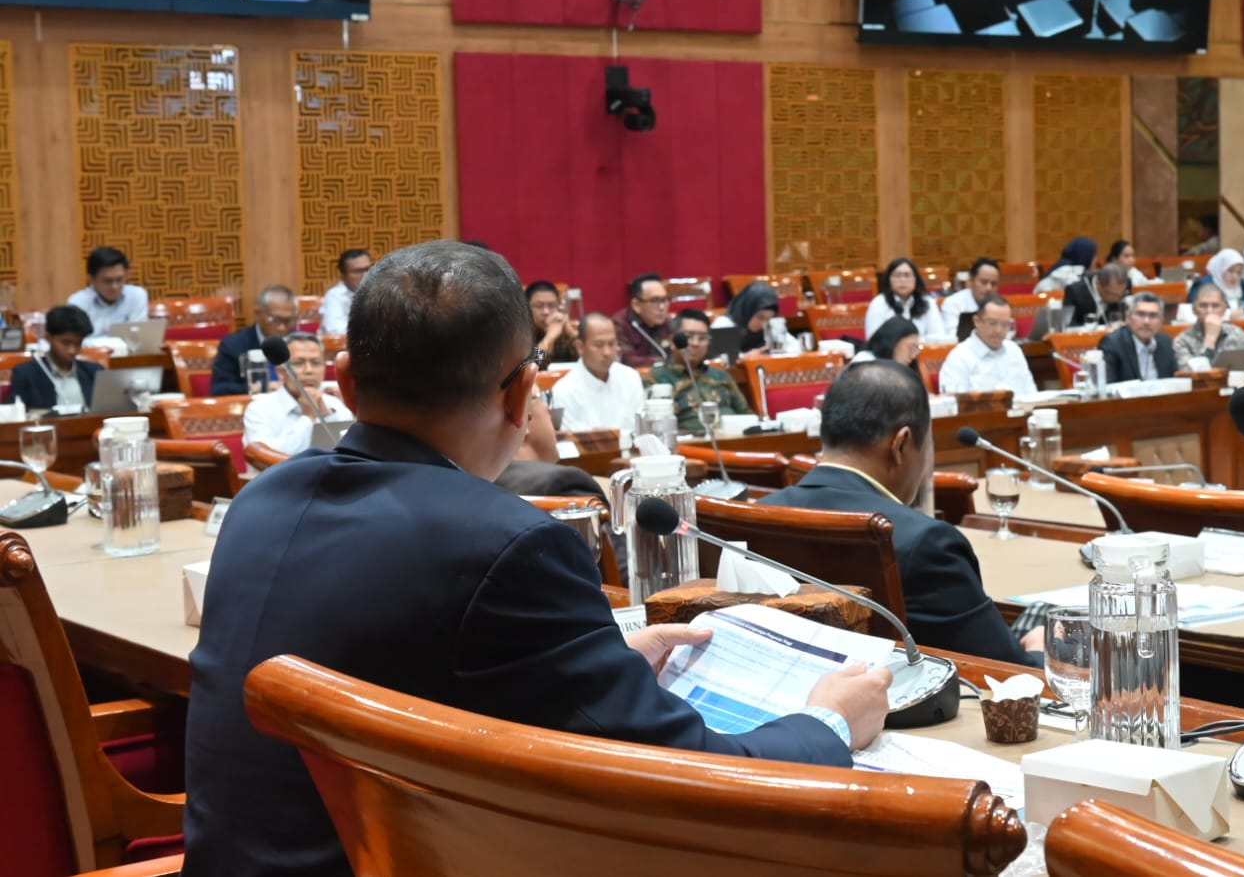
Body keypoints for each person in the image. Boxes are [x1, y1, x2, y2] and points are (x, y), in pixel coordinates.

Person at [182, 241, 890, 877]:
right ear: (523, 394)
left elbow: (430, 671)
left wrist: (595, 667)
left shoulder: (261, 503)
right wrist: (827, 722)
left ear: (343, 383)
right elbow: (693, 781)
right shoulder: (509, 542)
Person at [763, 360, 1042, 667]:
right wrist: (1042, 651)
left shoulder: (758, 513)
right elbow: (1004, 669)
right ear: (901, 444)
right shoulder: (926, 543)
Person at [241, 332, 354, 456]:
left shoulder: (334, 405)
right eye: (299, 363)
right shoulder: (259, 409)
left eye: (316, 363)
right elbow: (270, 460)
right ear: (280, 372)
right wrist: (308, 417)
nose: (309, 370)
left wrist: (327, 416)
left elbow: (348, 452)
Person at [646, 309, 752, 433]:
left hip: (734, 439)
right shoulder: (656, 379)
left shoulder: (721, 376)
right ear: (672, 341)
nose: (695, 343)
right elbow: (656, 428)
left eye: (702, 338)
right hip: (691, 445)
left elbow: (746, 414)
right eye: (688, 337)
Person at [549, 313, 646, 431]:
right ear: (580, 347)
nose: (607, 352)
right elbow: (567, 442)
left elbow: (641, 431)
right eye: (599, 345)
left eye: (612, 344)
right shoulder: (564, 390)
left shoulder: (630, 377)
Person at [937, 296, 1036, 396]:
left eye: (1005, 324)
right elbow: (954, 403)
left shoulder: (1014, 350)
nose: (999, 330)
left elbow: (1031, 393)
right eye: (992, 323)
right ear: (977, 321)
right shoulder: (959, 357)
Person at [211, 285, 298, 396]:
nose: (282, 327)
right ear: (258, 313)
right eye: (275, 319)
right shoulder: (233, 345)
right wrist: (261, 387)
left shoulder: (304, 343)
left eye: (288, 320)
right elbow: (219, 389)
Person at [10, 305, 100, 411]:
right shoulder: (25, 374)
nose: (72, 350)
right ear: (48, 337)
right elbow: (15, 414)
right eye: (65, 343)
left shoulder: (95, 372)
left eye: (78, 343)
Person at [66, 246, 149, 337]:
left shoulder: (137, 295)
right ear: (91, 280)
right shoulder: (78, 303)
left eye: (119, 279)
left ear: (127, 275)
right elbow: (77, 341)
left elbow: (138, 337)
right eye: (107, 281)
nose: (115, 286)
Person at [1100, 292, 1178, 383]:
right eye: (1141, 314)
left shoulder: (1165, 341)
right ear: (1128, 318)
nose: (1146, 321)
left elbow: (1174, 380)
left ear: (1161, 320)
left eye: (1153, 316)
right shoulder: (1112, 344)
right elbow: (1109, 387)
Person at [1173, 284, 1244, 367]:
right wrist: (1210, 340)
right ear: (1194, 309)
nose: (1209, 311)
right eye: (1203, 306)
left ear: (1224, 310)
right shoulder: (1182, 341)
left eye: (1215, 306)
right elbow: (1191, 374)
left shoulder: (1238, 334)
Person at [865, 258, 941, 339]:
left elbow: (938, 337)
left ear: (916, 279)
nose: (902, 280)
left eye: (907, 275)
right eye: (897, 275)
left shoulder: (927, 302)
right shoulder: (878, 303)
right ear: (889, 280)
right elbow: (873, 341)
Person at [612, 273, 675, 368]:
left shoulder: (667, 321)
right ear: (636, 305)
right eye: (654, 301)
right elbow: (627, 361)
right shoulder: (620, 324)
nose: (662, 307)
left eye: (665, 300)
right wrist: (664, 362)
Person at [1187, 249, 1244, 321]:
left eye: (1239, 273)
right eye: (1230, 271)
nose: (1235, 276)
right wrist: (1227, 316)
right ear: (1220, 268)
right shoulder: (1203, 284)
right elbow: (1195, 313)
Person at [714, 280, 781, 356]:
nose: (763, 324)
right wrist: (746, 358)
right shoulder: (724, 325)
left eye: (768, 319)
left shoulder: (771, 326)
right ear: (747, 310)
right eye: (760, 317)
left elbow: (793, 348)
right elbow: (719, 360)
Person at [939, 257, 1000, 336]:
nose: (989, 288)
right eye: (984, 282)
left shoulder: (1000, 305)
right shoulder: (953, 303)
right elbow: (953, 337)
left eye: (994, 284)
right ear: (971, 281)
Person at [318, 249, 371, 337]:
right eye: (358, 271)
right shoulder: (334, 296)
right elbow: (335, 330)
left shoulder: (382, 292)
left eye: (369, 269)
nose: (366, 275)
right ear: (343, 276)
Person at [1061, 263, 1130, 329]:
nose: (1117, 299)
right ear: (1098, 283)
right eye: (1113, 294)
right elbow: (1069, 325)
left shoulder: (1126, 286)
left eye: (1121, 295)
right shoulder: (1075, 292)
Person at [526, 280, 579, 364]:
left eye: (552, 306)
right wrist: (549, 338)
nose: (546, 312)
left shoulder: (562, 331)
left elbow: (592, 363)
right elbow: (530, 366)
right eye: (539, 306)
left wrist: (571, 334)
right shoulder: (520, 335)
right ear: (526, 308)